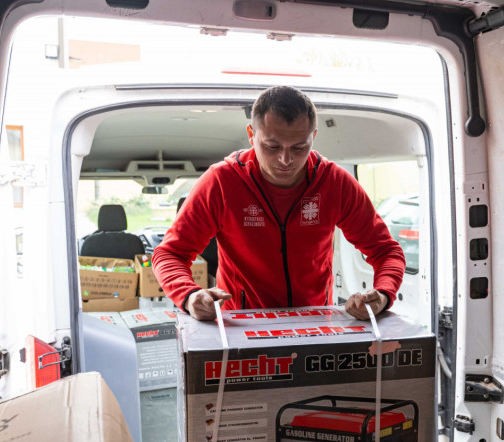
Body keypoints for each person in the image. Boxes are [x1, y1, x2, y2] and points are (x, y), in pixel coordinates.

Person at [152, 86, 405, 321]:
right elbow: (170, 254)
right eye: (272, 146)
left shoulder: (334, 182)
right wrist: (189, 295)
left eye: (299, 147)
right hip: (241, 326)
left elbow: (385, 251)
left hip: (315, 322)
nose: (285, 159)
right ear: (251, 135)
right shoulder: (221, 182)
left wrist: (383, 294)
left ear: (314, 137)